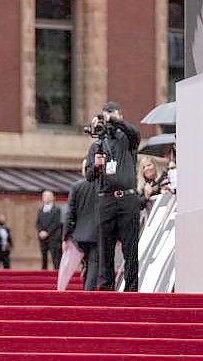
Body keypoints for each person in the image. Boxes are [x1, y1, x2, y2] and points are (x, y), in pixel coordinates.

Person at [85, 101, 141, 291]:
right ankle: (107, 289)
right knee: (105, 248)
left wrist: (115, 121)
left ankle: (132, 290)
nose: (107, 118)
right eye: (105, 114)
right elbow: (89, 176)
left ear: (120, 115)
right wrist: (97, 165)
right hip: (106, 199)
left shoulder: (128, 138)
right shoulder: (97, 145)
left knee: (130, 247)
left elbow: (135, 133)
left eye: (112, 114)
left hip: (127, 199)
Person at [64, 159, 99, 291]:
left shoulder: (76, 187)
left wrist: (66, 236)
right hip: (97, 234)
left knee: (86, 265)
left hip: (78, 235)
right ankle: (88, 294)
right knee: (93, 264)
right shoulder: (102, 186)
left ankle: (86, 290)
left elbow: (70, 213)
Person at [36, 190, 62, 270]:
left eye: (47, 196)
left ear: (52, 198)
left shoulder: (57, 210)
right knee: (44, 257)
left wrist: (47, 232)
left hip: (53, 237)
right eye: (44, 196)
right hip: (42, 238)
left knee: (55, 258)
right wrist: (40, 231)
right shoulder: (40, 210)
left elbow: (56, 223)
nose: (45, 198)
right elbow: (38, 222)